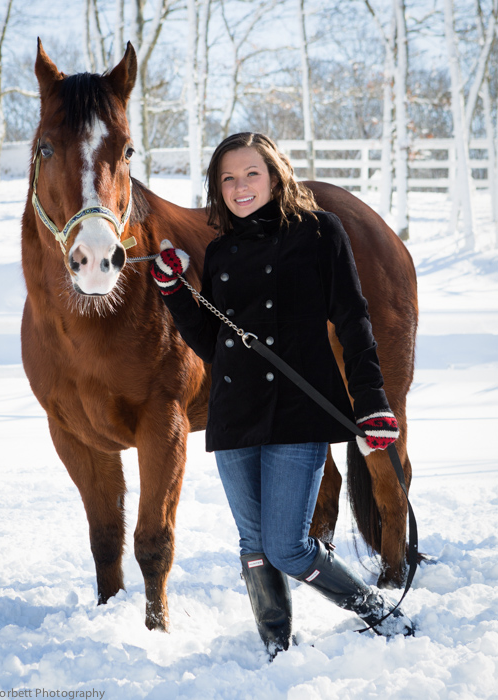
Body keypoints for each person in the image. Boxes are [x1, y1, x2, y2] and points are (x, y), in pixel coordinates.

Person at [150, 132, 413, 658]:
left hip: (300, 409)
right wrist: (177, 294)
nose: (239, 186)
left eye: (250, 174)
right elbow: (215, 343)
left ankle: (377, 609)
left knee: (289, 547)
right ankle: (278, 647)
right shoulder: (221, 250)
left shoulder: (320, 232)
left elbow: (354, 321)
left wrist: (372, 400)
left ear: (274, 174)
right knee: (254, 547)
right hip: (235, 414)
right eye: (227, 178)